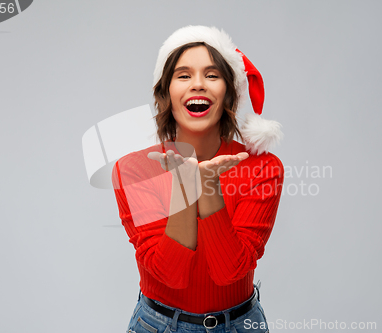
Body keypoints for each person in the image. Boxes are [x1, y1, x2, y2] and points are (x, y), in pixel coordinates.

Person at [112, 25, 284, 333]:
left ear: (230, 93)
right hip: (158, 325)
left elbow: (229, 270)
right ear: (164, 94)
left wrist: (207, 186)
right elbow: (169, 274)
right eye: (183, 75)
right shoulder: (134, 170)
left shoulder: (262, 168)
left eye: (212, 75)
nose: (198, 85)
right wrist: (184, 187)